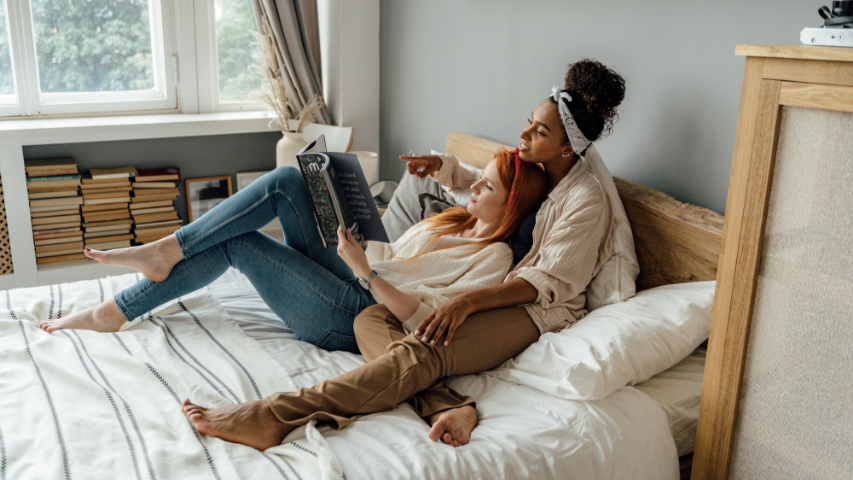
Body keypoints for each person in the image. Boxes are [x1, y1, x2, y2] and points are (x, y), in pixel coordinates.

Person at [177, 59, 627, 450]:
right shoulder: (541, 164)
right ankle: (450, 406)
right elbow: (496, 186)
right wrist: (445, 168)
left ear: (568, 145)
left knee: (423, 349)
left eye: (539, 130)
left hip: (536, 309)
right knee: (369, 320)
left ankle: (275, 416)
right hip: (512, 292)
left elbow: (543, 283)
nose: (525, 132)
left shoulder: (585, 199)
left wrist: (465, 301)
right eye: (530, 120)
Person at [40, 151, 547, 357]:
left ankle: (125, 298)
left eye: (486, 185)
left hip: (359, 315)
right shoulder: (453, 218)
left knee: (241, 239)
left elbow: (421, 320)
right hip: (355, 276)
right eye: (476, 180)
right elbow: (402, 246)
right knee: (290, 179)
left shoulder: (495, 261)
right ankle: (158, 260)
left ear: (513, 204)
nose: (472, 188)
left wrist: (364, 270)